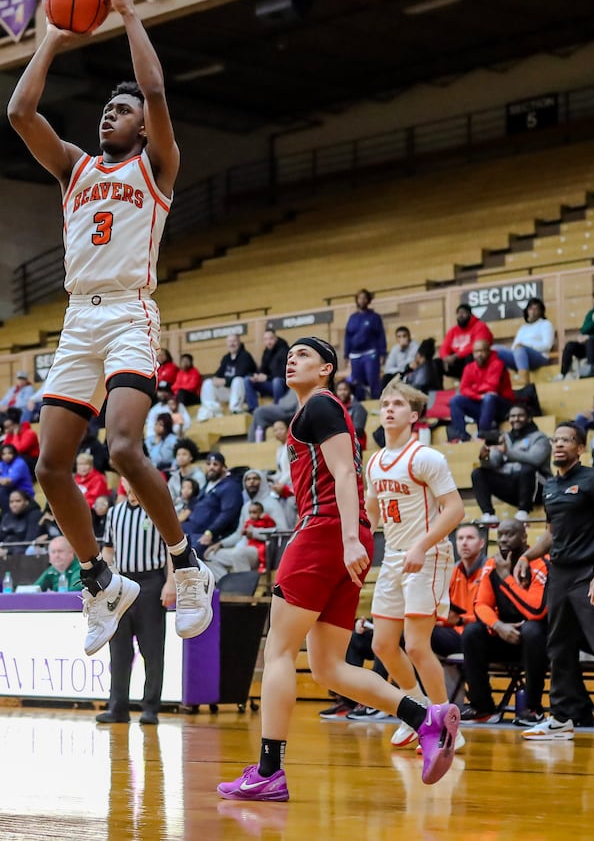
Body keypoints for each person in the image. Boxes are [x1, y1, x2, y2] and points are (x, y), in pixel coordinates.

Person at [7, 0, 213, 660]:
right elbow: (18, 113)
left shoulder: (154, 169)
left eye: (120, 111)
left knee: (124, 447)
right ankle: (101, 579)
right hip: (77, 321)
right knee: (50, 467)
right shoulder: (74, 167)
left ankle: (186, 563)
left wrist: (126, 13)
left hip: (129, 313)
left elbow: (154, 86)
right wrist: (54, 37)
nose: (110, 113)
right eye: (106, 107)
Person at [218, 338, 459, 802]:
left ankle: (269, 770)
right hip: (342, 533)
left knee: (280, 653)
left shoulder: (320, 406)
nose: (292, 358)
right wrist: (353, 536)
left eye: (304, 355)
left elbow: (345, 475)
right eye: (289, 354)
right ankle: (424, 718)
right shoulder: (316, 411)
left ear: (326, 368)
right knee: (328, 667)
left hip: (325, 531)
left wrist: (349, 537)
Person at [517, 423, 594, 745]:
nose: (558, 445)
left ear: (580, 448)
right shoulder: (551, 486)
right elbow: (551, 534)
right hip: (559, 574)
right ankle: (561, 717)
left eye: (566, 440)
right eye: (555, 440)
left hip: (588, 571)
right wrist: (527, 556)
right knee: (558, 647)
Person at [364, 379, 466, 751]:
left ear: (414, 415)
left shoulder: (426, 457)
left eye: (397, 404)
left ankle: (447, 724)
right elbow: (373, 514)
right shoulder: (374, 461)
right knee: (383, 644)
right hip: (394, 555)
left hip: (428, 554)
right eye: (384, 403)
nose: (389, 409)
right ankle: (417, 712)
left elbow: (456, 509)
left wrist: (423, 545)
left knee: (418, 645)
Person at [461, 519, 549, 725]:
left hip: (536, 641)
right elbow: (481, 604)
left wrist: (505, 577)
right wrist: (498, 626)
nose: (502, 539)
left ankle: (532, 708)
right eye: (499, 534)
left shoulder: (539, 563)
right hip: (505, 635)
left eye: (509, 534)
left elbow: (536, 610)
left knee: (532, 630)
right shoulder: (492, 564)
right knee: (472, 632)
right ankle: (483, 708)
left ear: (524, 537)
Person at [99, 484, 174, 724]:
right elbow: (108, 550)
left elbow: (173, 549)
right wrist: (105, 579)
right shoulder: (114, 512)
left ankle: (150, 707)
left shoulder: (157, 509)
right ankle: (117, 707)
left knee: (152, 649)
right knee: (118, 649)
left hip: (151, 582)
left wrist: (170, 583)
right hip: (121, 583)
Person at [471, 404, 549, 523]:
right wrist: (484, 457)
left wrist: (508, 451)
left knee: (527, 469)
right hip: (512, 486)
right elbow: (494, 463)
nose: (516, 419)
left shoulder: (540, 438)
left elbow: (535, 459)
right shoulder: (504, 437)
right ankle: (488, 515)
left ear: (529, 418)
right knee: (478, 473)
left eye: (520, 415)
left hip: (537, 488)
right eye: (512, 416)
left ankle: (524, 511)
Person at [446, 338, 514, 443]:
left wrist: (474, 389)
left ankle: (483, 433)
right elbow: (463, 389)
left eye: (482, 351)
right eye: (476, 352)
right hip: (482, 404)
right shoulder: (469, 368)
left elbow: (492, 387)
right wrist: (479, 395)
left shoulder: (497, 364)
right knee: (455, 401)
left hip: (502, 407)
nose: (479, 354)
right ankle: (461, 436)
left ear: (488, 351)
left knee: (489, 397)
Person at [199, 334, 259, 418]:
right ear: (227, 344)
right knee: (208, 383)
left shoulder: (245, 356)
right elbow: (218, 373)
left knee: (238, 380)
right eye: (230, 342)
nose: (232, 344)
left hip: (243, 392)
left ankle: (236, 410)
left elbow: (242, 374)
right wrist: (215, 379)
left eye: (234, 341)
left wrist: (225, 381)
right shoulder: (226, 358)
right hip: (229, 390)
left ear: (239, 342)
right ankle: (211, 410)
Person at [495, 298, 555, 380]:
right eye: (530, 309)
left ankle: (523, 381)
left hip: (539, 357)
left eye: (536, 309)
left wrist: (526, 346)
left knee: (520, 349)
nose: (532, 312)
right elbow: (515, 346)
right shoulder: (523, 328)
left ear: (541, 311)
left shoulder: (546, 324)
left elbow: (547, 345)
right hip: (519, 356)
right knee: (495, 349)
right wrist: (518, 348)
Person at [345, 289, 387, 398]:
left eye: (364, 298)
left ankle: (377, 404)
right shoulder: (352, 318)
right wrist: (346, 355)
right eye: (360, 298)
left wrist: (382, 353)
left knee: (373, 381)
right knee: (357, 384)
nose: (362, 300)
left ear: (368, 300)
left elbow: (381, 335)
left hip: (370, 353)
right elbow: (348, 337)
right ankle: (360, 407)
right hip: (355, 355)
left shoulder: (374, 317)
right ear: (356, 300)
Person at [439, 304, 494, 380]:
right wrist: (445, 357)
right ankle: (435, 390)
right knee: (437, 363)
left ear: (470, 315)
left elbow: (479, 346)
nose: (460, 315)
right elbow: (444, 347)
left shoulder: (480, 326)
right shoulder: (453, 331)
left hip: (475, 361)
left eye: (463, 313)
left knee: (471, 356)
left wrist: (457, 355)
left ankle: (473, 384)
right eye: (458, 313)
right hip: (457, 362)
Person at [245, 328, 291, 409]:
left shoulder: (284, 350)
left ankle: (278, 408)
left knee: (277, 381)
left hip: (283, 384)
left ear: (276, 338)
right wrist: (257, 376)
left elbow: (284, 374)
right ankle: (253, 409)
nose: (268, 342)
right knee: (247, 380)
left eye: (271, 338)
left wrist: (267, 377)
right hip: (270, 384)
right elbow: (262, 369)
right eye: (266, 339)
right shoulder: (266, 352)